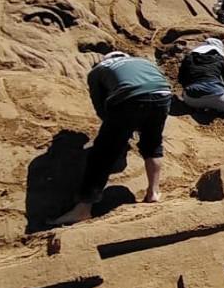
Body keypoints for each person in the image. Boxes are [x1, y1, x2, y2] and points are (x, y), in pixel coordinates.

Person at [52, 52, 172, 226]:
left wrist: (116, 129)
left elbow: (100, 105)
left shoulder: (99, 70)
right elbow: (153, 87)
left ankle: (83, 209)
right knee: (152, 144)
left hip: (130, 97)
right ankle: (153, 193)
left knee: (102, 153)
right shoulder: (142, 61)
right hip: (163, 94)